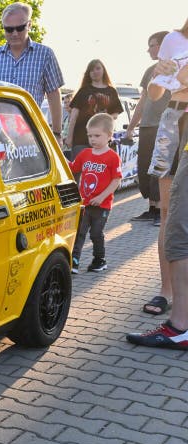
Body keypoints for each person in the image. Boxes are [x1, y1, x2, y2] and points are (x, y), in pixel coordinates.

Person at [127, 21, 188, 348]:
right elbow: (155, 93)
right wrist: (160, 74)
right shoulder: (175, 41)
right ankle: (168, 292)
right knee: (168, 213)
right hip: (171, 124)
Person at [0, 2, 64, 144]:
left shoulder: (45, 54)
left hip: (31, 133)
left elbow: (54, 94)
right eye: (9, 29)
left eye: (20, 28)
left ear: (29, 25)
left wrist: (56, 133)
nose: (15, 33)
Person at [68, 113, 122, 274]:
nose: (93, 139)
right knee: (79, 233)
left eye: (97, 135)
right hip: (84, 203)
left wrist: (101, 197)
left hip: (102, 205)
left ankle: (99, 260)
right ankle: (74, 262)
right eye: (90, 135)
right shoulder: (85, 154)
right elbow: (73, 168)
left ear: (109, 136)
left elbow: (116, 180)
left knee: (96, 234)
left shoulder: (113, 157)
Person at [126, 31, 170, 226]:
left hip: (166, 127)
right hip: (146, 127)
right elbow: (142, 101)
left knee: (160, 169)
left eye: (151, 45)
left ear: (162, 45)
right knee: (144, 168)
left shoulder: (176, 68)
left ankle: (162, 210)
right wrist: (131, 128)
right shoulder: (149, 71)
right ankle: (152, 208)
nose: (148, 49)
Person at [65, 60, 123, 159]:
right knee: (80, 171)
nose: (95, 72)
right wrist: (69, 137)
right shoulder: (83, 91)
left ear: (103, 70)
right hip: (81, 139)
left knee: (98, 171)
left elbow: (115, 114)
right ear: (88, 73)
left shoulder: (111, 91)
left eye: (98, 68)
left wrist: (102, 118)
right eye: (91, 70)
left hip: (102, 140)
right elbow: (73, 116)